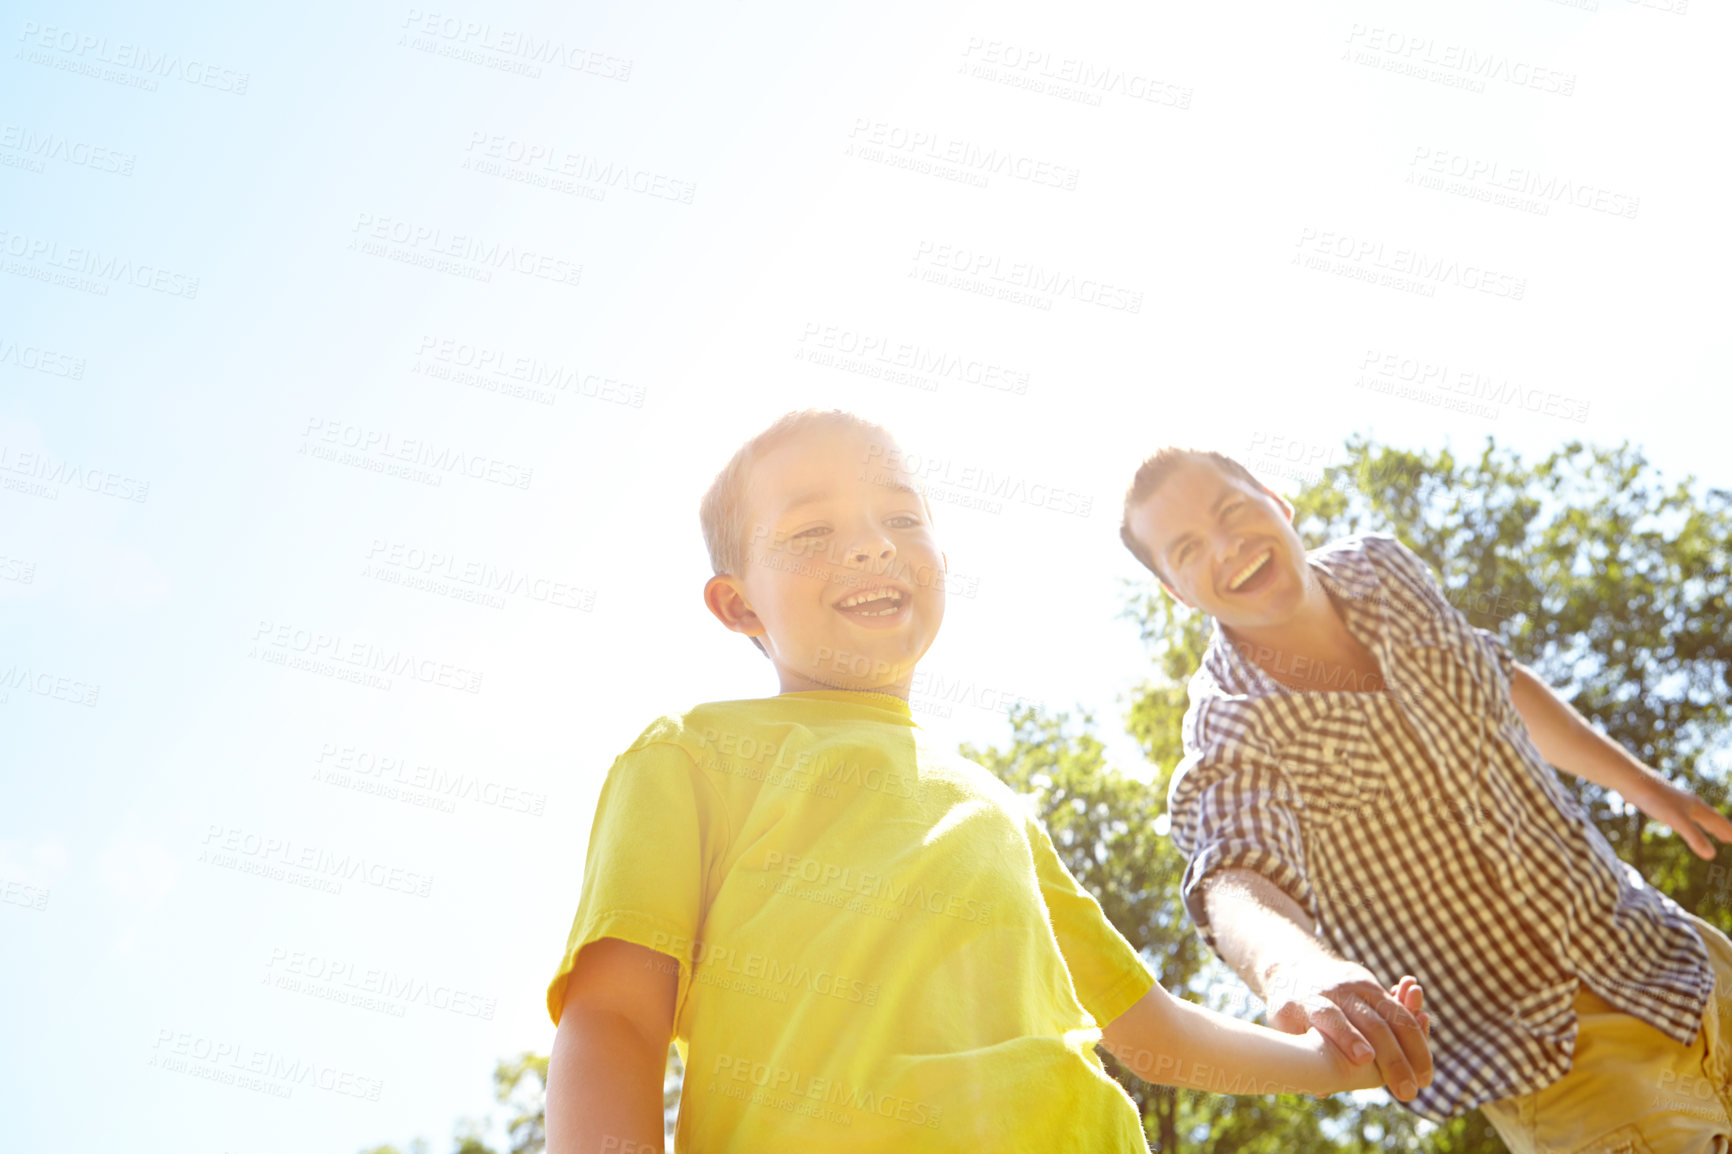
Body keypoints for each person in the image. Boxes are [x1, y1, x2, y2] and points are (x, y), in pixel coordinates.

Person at [542, 412, 1426, 1154]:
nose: (868, 548)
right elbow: (615, 1022)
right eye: (814, 532)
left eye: (900, 519)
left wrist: (1330, 1063)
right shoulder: (692, 754)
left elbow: (1147, 1030)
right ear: (739, 605)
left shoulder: (998, 810)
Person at [1119, 445, 1732, 1152]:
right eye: (1188, 549)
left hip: (1672, 955)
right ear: (1176, 591)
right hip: (1557, 1063)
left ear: (1276, 500)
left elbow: (1494, 677)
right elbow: (1232, 872)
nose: (1227, 547)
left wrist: (1641, 785)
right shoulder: (1232, 722)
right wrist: (1299, 971)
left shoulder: (1384, 569)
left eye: (1231, 510)